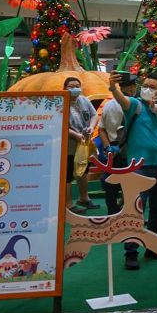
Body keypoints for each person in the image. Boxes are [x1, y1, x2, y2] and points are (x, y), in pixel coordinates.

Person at [108, 71, 157, 270]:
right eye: (146, 85)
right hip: (138, 167)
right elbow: (121, 99)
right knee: (135, 209)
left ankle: (152, 247)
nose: (147, 89)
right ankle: (131, 252)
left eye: (152, 87)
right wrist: (113, 87)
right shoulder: (135, 105)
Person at [98, 72, 137, 214]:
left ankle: (112, 213)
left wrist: (108, 147)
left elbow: (101, 129)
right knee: (132, 182)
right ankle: (130, 213)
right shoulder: (134, 104)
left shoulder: (108, 105)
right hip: (131, 148)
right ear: (131, 88)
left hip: (112, 149)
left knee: (111, 183)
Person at [64, 77, 99, 214]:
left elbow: (94, 115)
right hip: (68, 145)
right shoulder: (61, 102)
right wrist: (75, 135)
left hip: (84, 143)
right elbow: (59, 124)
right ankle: (68, 204)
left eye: (77, 86)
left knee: (84, 170)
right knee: (67, 173)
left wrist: (91, 127)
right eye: (71, 86)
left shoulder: (84, 100)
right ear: (64, 88)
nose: (75, 88)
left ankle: (84, 198)